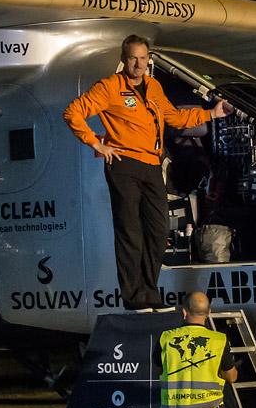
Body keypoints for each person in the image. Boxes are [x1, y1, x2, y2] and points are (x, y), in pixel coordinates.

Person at [64, 34, 232, 310]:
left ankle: (149, 293)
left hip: (152, 165)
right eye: (133, 58)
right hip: (124, 164)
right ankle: (135, 299)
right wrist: (96, 143)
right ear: (123, 59)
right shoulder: (109, 87)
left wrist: (211, 114)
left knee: (157, 230)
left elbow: (175, 118)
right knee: (130, 231)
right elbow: (73, 113)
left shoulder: (153, 87)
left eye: (143, 58)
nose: (138, 64)